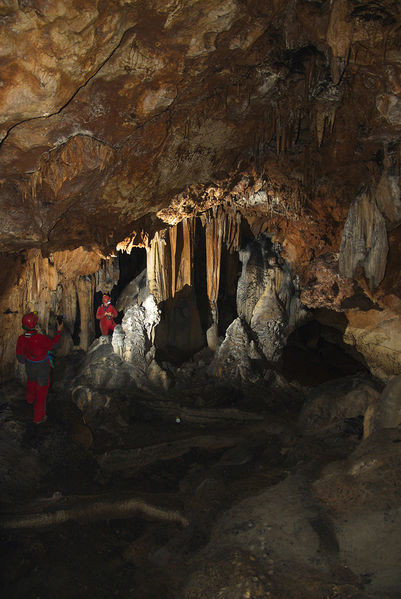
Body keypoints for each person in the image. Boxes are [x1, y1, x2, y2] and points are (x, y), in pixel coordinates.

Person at [16, 312, 63, 424]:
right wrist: (59, 331)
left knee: (31, 380)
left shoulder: (21, 339)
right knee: (42, 391)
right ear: (34, 325)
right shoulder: (40, 338)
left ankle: (29, 398)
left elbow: (20, 359)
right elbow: (54, 345)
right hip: (42, 367)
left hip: (29, 365)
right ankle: (39, 417)